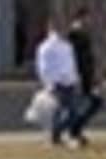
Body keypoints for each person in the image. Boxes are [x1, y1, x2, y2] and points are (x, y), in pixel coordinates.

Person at [33, 20, 89, 151]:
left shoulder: (66, 46)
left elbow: (70, 64)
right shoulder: (47, 47)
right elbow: (44, 67)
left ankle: (57, 135)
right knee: (61, 110)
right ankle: (55, 136)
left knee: (70, 111)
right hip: (58, 82)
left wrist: (75, 78)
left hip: (67, 81)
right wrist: (49, 82)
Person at [65, 5, 105, 145]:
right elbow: (73, 57)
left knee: (94, 102)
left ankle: (75, 130)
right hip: (79, 75)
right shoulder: (73, 35)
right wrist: (74, 76)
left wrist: (95, 75)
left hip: (87, 74)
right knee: (83, 104)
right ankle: (71, 132)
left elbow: (88, 57)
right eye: (87, 17)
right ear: (81, 17)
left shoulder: (83, 33)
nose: (89, 20)